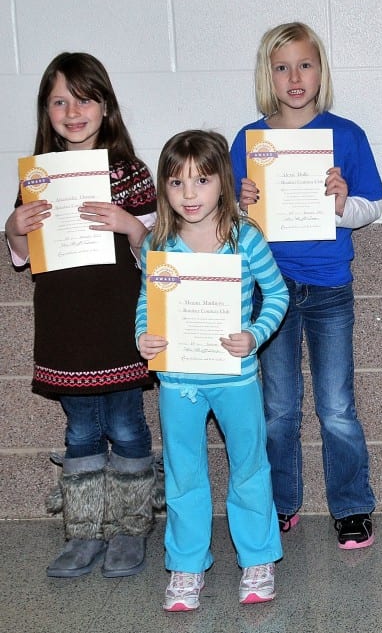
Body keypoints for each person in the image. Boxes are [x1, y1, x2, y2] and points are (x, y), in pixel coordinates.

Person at [4, 52, 159, 579]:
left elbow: (158, 255)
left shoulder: (131, 174)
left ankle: (131, 528)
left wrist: (129, 225)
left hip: (120, 325)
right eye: (59, 102)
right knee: (80, 432)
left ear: (105, 106)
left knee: (127, 425)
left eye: (85, 99)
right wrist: (14, 227)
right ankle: (85, 531)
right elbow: (23, 256)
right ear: (45, 112)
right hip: (66, 327)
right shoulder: (38, 176)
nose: (73, 112)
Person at [231, 22, 382, 549]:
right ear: (267, 76)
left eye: (305, 65)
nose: (294, 77)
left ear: (321, 71)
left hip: (328, 288)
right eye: (282, 67)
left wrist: (342, 206)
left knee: (337, 406)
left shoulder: (346, 135)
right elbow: (224, 220)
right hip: (267, 290)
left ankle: (352, 506)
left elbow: (371, 207)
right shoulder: (248, 141)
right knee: (277, 409)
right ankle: (280, 503)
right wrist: (241, 206)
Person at [136, 130, 288, 611]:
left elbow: (277, 294)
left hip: (235, 378)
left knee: (249, 467)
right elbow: (146, 304)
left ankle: (258, 558)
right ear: (164, 187)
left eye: (201, 181)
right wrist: (143, 337)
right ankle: (186, 565)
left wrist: (255, 335)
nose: (189, 194)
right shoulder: (158, 243)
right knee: (183, 474)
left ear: (223, 181)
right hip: (177, 382)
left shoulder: (246, 238)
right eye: (177, 182)